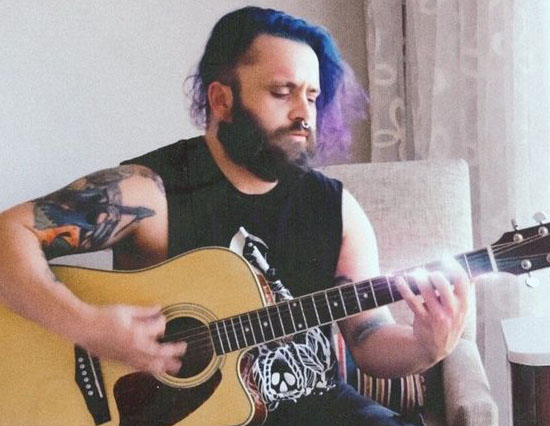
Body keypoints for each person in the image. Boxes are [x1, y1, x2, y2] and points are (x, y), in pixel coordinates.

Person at [0, 6, 470, 426]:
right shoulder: (152, 192)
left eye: (311, 96)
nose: (304, 113)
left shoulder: (336, 208)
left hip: (319, 409)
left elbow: (369, 336)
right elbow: (9, 234)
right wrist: (88, 327)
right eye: (283, 92)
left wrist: (425, 346)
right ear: (221, 100)